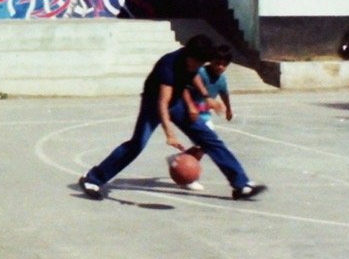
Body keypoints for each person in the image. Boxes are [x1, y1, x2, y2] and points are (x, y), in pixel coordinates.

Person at [79, 34, 267, 201]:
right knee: (137, 144)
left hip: (177, 101)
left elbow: (192, 76)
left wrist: (206, 97)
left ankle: (241, 185)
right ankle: (93, 179)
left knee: (211, 139)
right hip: (154, 104)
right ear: (189, 56)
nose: (200, 66)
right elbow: (163, 102)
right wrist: (169, 133)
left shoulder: (192, 60)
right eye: (198, 63)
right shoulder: (168, 65)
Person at [169, 44, 235, 191]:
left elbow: (224, 93)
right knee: (205, 144)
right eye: (217, 63)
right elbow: (184, 88)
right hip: (191, 113)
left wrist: (229, 109)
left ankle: (178, 159)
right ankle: (189, 178)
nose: (220, 67)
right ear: (210, 61)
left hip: (205, 115)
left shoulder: (222, 79)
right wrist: (190, 107)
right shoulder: (201, 73)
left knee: (204, 145)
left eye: (224, 64)